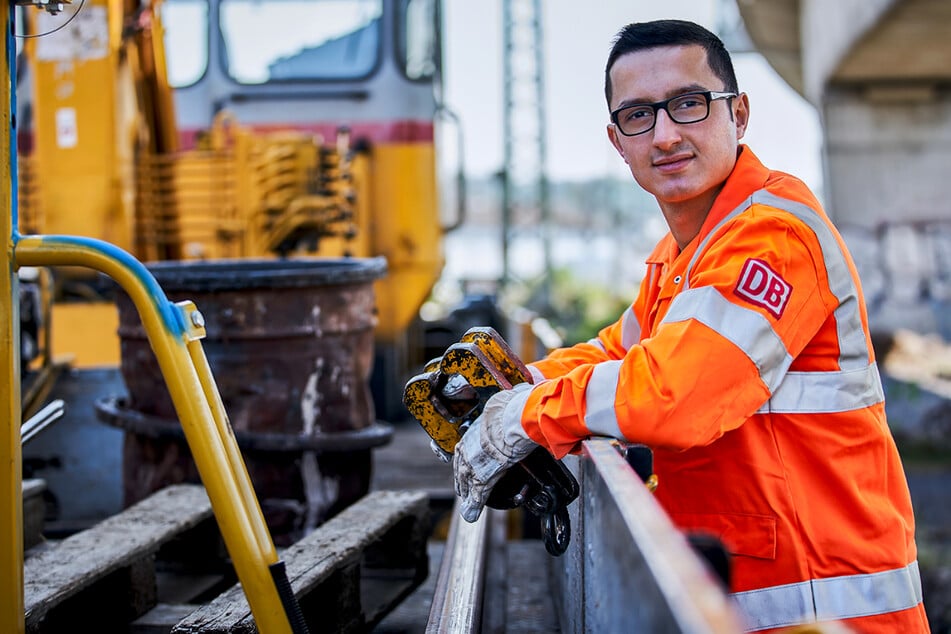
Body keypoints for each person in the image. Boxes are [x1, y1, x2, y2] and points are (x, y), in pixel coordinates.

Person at [451, 19, 929, 633]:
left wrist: (524, 416)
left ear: (740, 114)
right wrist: (508, 387)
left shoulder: (772, 236)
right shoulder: (683, 256)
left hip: (831, 613)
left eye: (688, 104)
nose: (666, 135)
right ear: (618, 142)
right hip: (741, 601)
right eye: (638, 116)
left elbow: (676, 394)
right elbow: (614, 354)